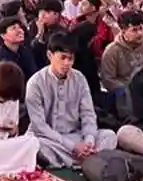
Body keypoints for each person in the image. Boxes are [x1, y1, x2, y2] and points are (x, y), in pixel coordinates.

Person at [25, 33, 117, 168]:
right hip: (49, 140)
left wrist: (89, 141)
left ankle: (82, 157)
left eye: (70, 59)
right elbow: (40, 126)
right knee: (34, 145)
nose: (67, 63)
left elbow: (88, 114)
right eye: (62, 58)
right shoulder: (36, 83)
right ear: (50, 55)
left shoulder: (79, 79)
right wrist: (73, 147)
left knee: (109, 136)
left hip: (75, 135)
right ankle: (90, 161)